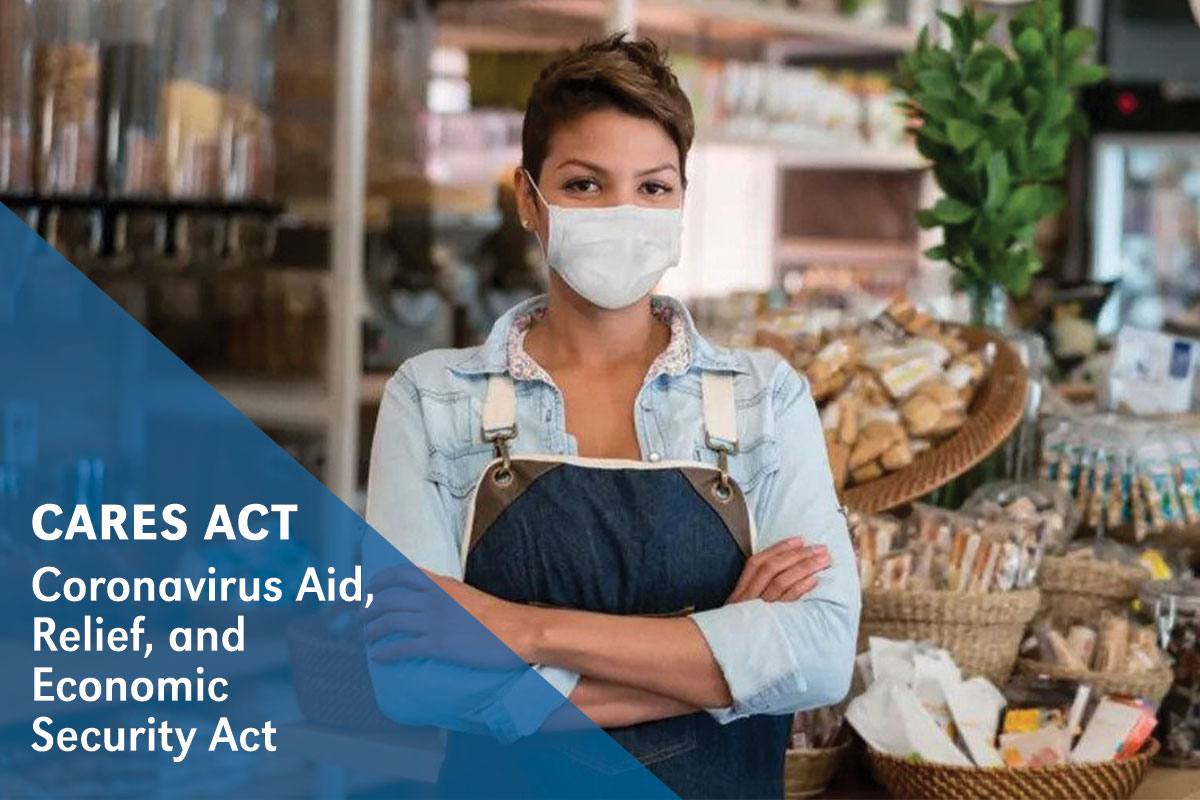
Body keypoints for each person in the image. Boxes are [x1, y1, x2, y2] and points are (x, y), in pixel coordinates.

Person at [363, 33, 860, 799]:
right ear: (529, 200)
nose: (624, 212)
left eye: (654, 188)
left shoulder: (765, 398)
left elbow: (821, 654)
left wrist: (517, 629)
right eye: (586, 185)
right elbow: (411, 681)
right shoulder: (432, 399)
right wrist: (724, 662)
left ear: (683, 202)